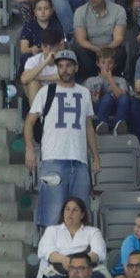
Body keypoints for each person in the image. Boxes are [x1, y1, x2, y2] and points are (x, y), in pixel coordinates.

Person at [23, 52, 99, 230]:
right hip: (53, 159)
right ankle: (49, 248)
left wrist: (96, 156)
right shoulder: (46, 92)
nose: (64, 70)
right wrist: (29, 149)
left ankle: (77, 248)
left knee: (79, 216)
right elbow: (29, 122)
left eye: (68, 65)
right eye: (61, 66)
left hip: (79, 160)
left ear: (76, 68)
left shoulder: (84, 93)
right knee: (52, 215)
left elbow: (88, 126)